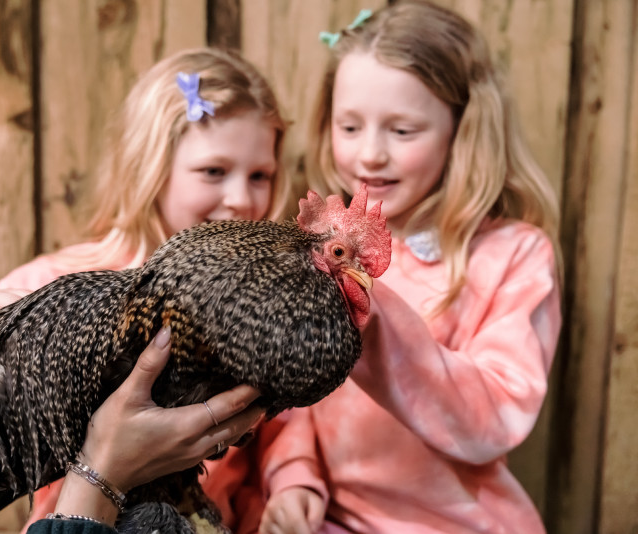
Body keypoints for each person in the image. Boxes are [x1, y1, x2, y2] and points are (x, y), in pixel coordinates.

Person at [0, 29, 264, 533]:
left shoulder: (248, 313)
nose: (241, 199)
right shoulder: (65, 281)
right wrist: (99, 472)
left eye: (262, 175)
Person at [215, 2, 562, 533]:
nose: (370, 154)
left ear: (463, 129)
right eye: (350, 126)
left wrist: (373, 317)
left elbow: (497, 413)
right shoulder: (319, 241)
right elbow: (290, 398)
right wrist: (295, 477)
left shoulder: (512, 255)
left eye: (402, 132)